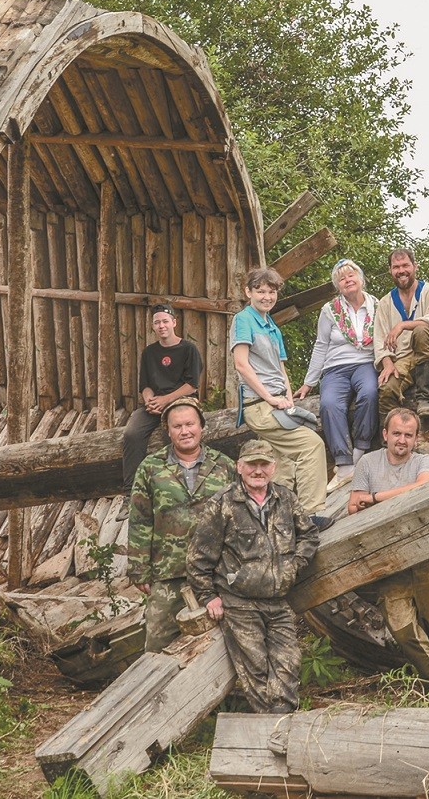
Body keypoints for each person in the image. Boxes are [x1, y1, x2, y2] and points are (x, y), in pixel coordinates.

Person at [187, 439, 319, 714]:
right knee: (255, 668)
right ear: (239, 467)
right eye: (251, 464)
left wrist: (294, 565)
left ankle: (282, 723)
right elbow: (199, 556)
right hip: (239, 602)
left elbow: (308, 535)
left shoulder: (286, 499)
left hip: (278, 600)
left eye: (263, 464)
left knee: (289, 662)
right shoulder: (222, 504)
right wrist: (208, 596)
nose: (257, 470)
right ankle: (265, 728)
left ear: (273, 468)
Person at [349, 408, 429, 685]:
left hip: (425, 554)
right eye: (396, 434)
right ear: (385, 435)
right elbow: (353, 505)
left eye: (408, 435)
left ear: (417, 438)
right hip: (388, 560)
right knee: (403, 629)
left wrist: (376, 498)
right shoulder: (369, 463)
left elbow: (423, 488)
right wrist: (370, 501)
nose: (402, 440)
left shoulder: (423, 461)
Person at [127, 397, 236, 652]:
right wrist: (138, 568)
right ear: (168, 430)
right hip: (167, 570)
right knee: (158, 642)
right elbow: (140, 519)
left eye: (190, 424)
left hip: (215, 572)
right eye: (177, 426)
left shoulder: (224, 466)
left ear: (201, 426)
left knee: (222, 640)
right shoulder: (150, 468)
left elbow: (237, 520)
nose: (184, 431)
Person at [231, 266, 328, 516]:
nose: (266, 297)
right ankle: (311, 514)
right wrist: (270, 398)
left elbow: (280, 368)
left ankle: (274, 516)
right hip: (259, 405)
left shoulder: (272, 325)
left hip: (276, 403)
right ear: (248, 292)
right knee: (311, 446)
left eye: (271, 292)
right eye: (260, 291)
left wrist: (287, 397)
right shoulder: (243, 319)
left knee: (280, 463)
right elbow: (241, 364)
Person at [295, 258, 378, 493]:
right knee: (329, 403)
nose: (348, 280)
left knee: (370, 392)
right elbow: (321, 345)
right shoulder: (330, 310)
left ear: (361, 279)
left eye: (352, 275)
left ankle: (360, 451)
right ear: (337, 286)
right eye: (342, 278)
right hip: (336, 368)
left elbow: (384, 338)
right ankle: (344, 464)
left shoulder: (377, 305)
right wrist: (309, 382)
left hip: (365, 363)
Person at [122, 304, 204, 489]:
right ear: (152, 326)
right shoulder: (149, 352)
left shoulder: (188, 349)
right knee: (131, 434)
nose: (161, 325)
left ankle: (183, 486)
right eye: (157, 322)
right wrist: (150, 401)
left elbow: (192, 386)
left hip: (182, 401)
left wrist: (166, 400)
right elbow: (145, 385)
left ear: (174, 322)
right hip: (155, 404)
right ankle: (132, 491)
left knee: (176, 433)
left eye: (165, 321)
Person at [373, 248, 429, 420]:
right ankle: (392, 438)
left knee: (421, 331)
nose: (401, 271)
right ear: (390, 270)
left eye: (405, 265)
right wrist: (388, 363)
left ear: (415, 266)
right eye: (396, 267)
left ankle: (425, 399)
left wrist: (403, 325)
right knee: (386, 389)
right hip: (406, 358)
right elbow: (379, 340)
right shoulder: (385, 303)